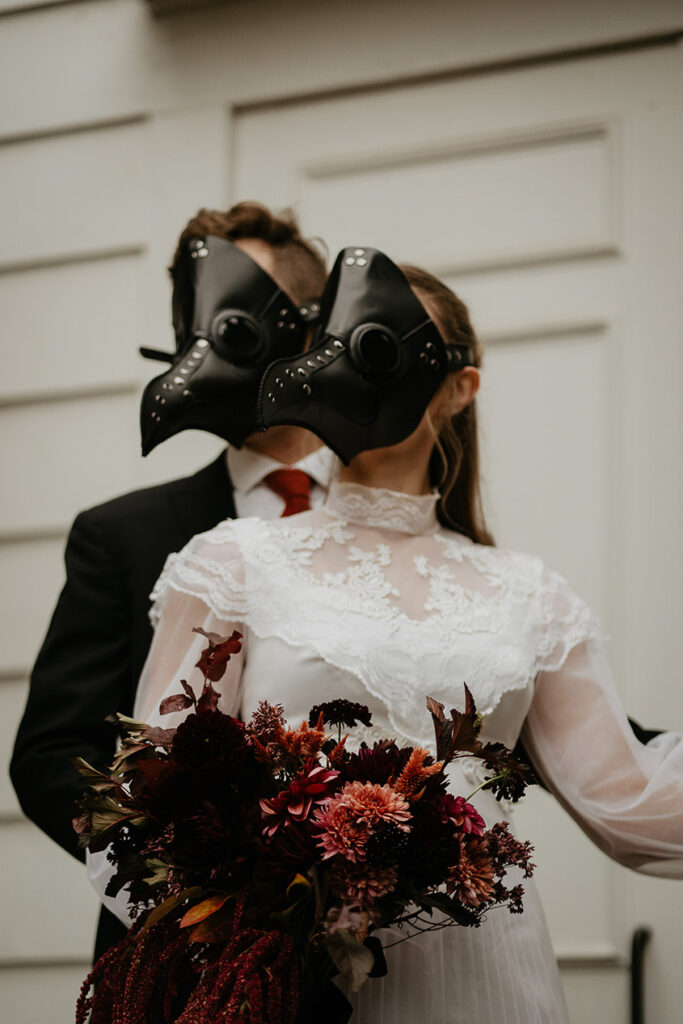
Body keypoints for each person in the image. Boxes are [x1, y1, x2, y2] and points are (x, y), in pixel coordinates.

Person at [89, 247, 683, 1022]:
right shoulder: (233, 562)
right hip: (290, 981)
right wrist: (267, 907)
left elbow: (627, 806)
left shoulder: (528, 592)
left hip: (484, 970)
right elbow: (151, 801)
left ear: (459, 387)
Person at [9, 201, 336, 962]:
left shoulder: (404, 527)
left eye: (231, 324)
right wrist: (182, 879)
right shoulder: (120, 535)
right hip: (177, 958)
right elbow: (52, 753)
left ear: (311, 331)